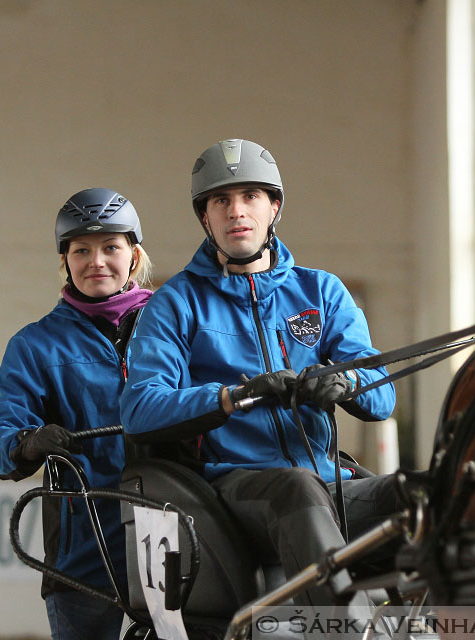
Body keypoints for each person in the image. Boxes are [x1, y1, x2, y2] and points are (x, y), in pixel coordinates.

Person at [119, 139, 399, 627]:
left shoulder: (322, 292)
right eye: (221, 201)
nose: (236, 211)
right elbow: (141, 408)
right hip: (236, 490)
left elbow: (381, 395)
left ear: (274, 207)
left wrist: (345, 382)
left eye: (250, 196)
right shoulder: (173, 304)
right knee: (296, 488)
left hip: (328, 482)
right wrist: (234, 397)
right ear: (205, 218)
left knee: (421, 493)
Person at [0, 188, 153, 640]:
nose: (97, 261)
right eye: (81, 250)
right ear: (66, 260)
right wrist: (27, 442)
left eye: (111, 247)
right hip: (85, 543)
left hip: (175, 530)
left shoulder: (173, 326)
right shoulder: (35, 345)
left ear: (133, 256)